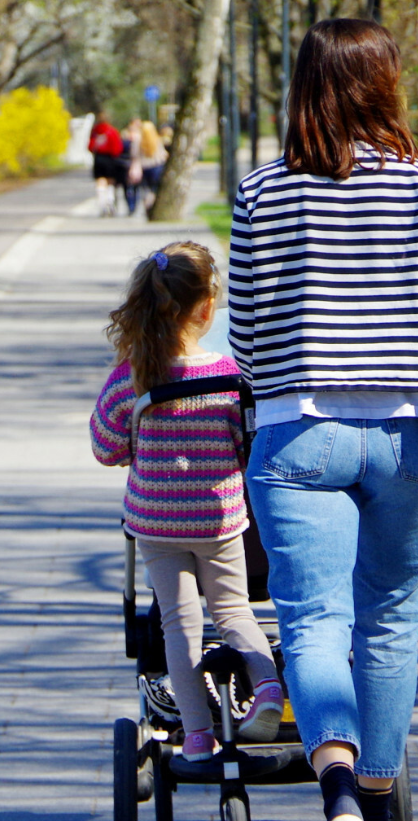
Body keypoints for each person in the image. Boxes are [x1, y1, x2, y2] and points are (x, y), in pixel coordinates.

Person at [227, 19, 418, 821]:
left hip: (297, 437)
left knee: (313, 617)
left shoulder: (262, 190)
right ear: (382, 83)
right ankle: (379, 816)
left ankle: (339, 787)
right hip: (409, 441)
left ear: (306, 85)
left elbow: (244, 338)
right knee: (389, 621)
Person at [91, 241, 285, 761]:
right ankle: (267, 687)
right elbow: (248, 446)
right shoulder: (227, 375)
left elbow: (105, 447)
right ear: (207, 308)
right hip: (220, 520)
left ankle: (197, 733)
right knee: (234, 609)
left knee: (179, 623)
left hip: (156, 522)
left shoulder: (133, 378)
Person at [88, 111, 124, 217]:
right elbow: (117, 148)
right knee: (110, 181)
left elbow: (90, 146)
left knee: (100, 182)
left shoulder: (95, 132)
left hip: (98, 158)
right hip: (110, 158)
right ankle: (110, 202)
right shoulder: (112, 131)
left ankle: (102, 204)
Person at [139, 121, 168, 212]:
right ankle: (155, 206)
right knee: (155, 188)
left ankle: (148, 204)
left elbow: (135, 155)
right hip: (156, 167)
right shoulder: (157, 140)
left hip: (144, 168)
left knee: (146, 189)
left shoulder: (139, 141)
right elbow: (163, 154)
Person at [119, 118, 145, 215]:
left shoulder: (141, 138)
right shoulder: (125, 139)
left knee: (135, 187)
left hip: (135, 165)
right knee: (129, 187)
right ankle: (131, 206)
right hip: (127, 164)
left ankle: (132, 206)